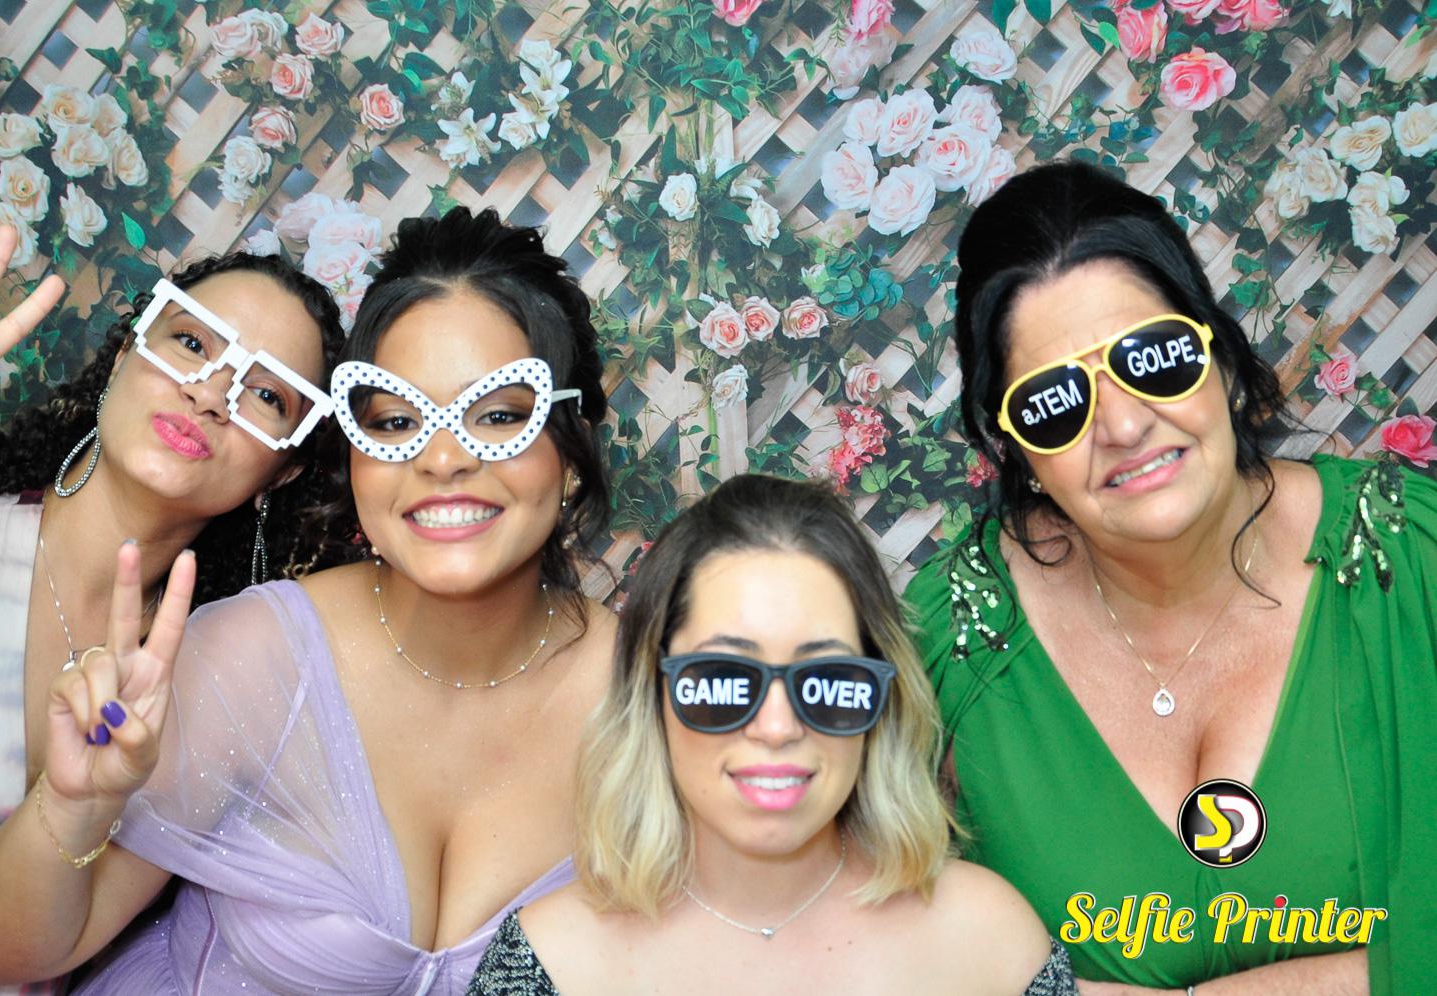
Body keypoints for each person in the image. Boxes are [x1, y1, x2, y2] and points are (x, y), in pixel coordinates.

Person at [0, 207, 616, 996]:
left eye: (500, 415)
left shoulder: (648, 700)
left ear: (571, 450)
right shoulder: (254, 655)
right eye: (396, 420)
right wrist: (74, 805)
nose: (442, 458)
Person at [904, 161, 1437, 994]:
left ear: (1220, 361)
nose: (1122, 424)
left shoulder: (1412, 560)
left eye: (1152, 358)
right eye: (1056, 402)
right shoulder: (950, 644)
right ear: (1017, 451)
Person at [469, 474, 1079, 995]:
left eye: (827, 679)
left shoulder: (991, 945)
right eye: (726, 678)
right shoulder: (550, 963)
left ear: (881, 700)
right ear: (651, 694)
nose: (778, 728)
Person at [0, 226, 344, 994]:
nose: (210, 394)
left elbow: (10, 960)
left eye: (266, 395)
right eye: (191, 343)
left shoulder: (214, 693)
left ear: (283, 471)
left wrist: (79, 804)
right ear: (125, 352)